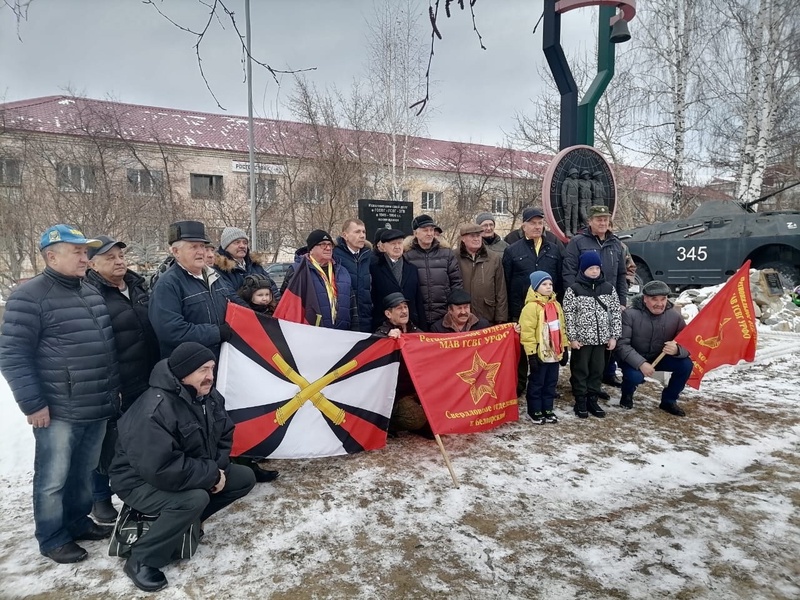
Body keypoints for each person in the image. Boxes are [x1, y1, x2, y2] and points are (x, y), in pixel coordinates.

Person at [0, 224, 120, 564]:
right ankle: (52, 536)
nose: (86, 258)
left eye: (86, 251)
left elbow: (104, 350)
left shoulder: (90, 291)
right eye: (78, 252)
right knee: (53, 478)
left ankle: (78, 522)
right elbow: (12, 355)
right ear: (52, 256)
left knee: (83, 472)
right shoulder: (29, 296)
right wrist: (33, 403)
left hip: (95, 402)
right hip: (58, 407)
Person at [109, 342, 256, 592]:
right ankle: (141, 558)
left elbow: (224, 435)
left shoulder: (208, 397)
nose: (210, 376)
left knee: (244, 477)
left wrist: (217, 471)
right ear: (183, 373)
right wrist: (210, 475)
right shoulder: (154, 409)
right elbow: (161, 468)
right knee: (193, 499)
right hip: (138, 480)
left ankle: (189, 523)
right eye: (202, 370)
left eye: (212, 368)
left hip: (183, 471)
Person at [85, 235, 159, 525]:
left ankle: (138, 491)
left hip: (146, 375)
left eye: (120, 256)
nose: (119, 261)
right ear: (92, 263)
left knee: (140, 438)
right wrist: (110, 384)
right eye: (110, 257)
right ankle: (99, 497)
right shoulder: (90, 294)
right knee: (107, 443)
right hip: (115, 383)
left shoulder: (138, 285)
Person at [149, 221, 237, 358]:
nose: (201, 252)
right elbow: (171, 332)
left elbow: (233, 306)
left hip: (219, 361)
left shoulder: (216, 277)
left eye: (202, 246)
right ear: (176, 252)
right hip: (190, 367)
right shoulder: (167, 285)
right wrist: (216, 333)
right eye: (194, 247)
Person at [502, 207, 564, 394]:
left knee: (546, 345)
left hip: (547, 311)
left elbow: (559, 280)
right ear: (524, 226)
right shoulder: (512, 250)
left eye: (540, 223)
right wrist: (511, 313)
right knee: (523, 351)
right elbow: (506, 282)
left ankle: (545, 387)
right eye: (533, 223)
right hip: (521, 310)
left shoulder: (553, 249)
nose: (537, 227)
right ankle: (520, 386)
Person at [615, 280, 693, 416]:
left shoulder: (675, 316)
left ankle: (669, 400)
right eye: (654, 299)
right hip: (633, 359)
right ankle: (627, 393)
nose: (659, 304)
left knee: (686, 365)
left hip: (659, 357)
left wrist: (677, 350)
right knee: (635, 377)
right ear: (645, 299)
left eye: (663, 299)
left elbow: (687, 342)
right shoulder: (629, 314)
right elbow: (622, 345)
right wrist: (641, 363)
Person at [562, 252, 622, 419]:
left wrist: (613, 336)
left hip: (602, 339)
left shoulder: (609, 288)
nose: (594, 271)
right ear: (583, 270)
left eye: (597, 268)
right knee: (581, 370)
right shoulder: (574, 290)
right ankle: (580, 399)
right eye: (590, 268)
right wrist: (572, 338)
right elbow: (569, 315)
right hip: (582, 340)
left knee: (597, 370)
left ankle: (592, 398)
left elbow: (615, 313)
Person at [374, 293, 432, 439]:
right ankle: (387, 422)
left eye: (405, 307)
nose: (404, 311)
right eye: (399, 308)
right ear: (388, 313)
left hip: (418, 390)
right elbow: (375, 358)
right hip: (397, 395)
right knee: (417, 419)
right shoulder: (382, 335)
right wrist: (387, 340)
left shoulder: (416, 332)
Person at [519, 271, 568, 424]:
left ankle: (548, 408)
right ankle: (535, 410)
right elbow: (527, 333)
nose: (548, 287)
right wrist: (531, 354)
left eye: (550, 284)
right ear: (535, 287)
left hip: (554, 352)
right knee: (537, 382)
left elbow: (562, 328)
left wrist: (564, 347)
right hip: (540, 353)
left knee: (551, 382)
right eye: (544, 284)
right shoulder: (531, 308)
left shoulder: (556, 305)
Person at [280, 229, 353, 329]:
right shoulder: (297, 270)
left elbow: (353, 306)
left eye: (330, 244)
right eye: (323, 244)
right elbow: (287, 303)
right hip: (311, 333)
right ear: (311, 249)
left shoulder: (342, 271)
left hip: (341, 333)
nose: (328, 248)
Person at [404, 214, 462, 330]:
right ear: (415, 233)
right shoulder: (407, 256)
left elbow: (456, 283)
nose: (430, 233)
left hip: (444, 315)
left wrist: (454, 308)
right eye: (425, 230)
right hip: (417, 315)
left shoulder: (446, 254)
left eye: (432, 230)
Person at [370, 228, 425, 331]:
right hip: (384, 326)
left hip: (410, 326)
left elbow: (418, 300)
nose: (397, 247)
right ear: (383, 246)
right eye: (393, 244)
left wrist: (422, 326)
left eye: (400, 243)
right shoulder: (374, 269)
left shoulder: (412, 269)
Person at [457, 222, 508, 325]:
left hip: (487, 314)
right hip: (461, 316)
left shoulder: (493, 258)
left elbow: (501, 290)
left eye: (478, 235)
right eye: (472, 236)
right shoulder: (454, 257)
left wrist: (501, 318)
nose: (476, 239)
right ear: (463, 238)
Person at [214, 226, 279, 301]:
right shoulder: (220, 269)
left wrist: (277, 307)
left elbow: (272, 288)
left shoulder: (255, 266)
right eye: (237, 242)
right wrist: (253, 312)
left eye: (245, 243)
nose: (242, 246)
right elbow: (231, 296)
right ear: (226, 246)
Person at [333, 218, 373, 333]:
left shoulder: (369, 256)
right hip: (343, 318)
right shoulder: (334, 256)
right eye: (357, 232)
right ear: (345, 235)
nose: (362, 236)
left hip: (366, 318)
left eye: (364, 232)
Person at [560, 168, 580, 237]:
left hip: (575, 201)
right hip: (568, 201)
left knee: (575, 216)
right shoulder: (566, 182)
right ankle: (567, 231)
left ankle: (575, 230)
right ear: (571, 174)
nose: (576, 175)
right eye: (574, 174)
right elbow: (563, 192)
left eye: (576, 174)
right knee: (568, 217)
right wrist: (564, 202)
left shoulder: (577, 181)